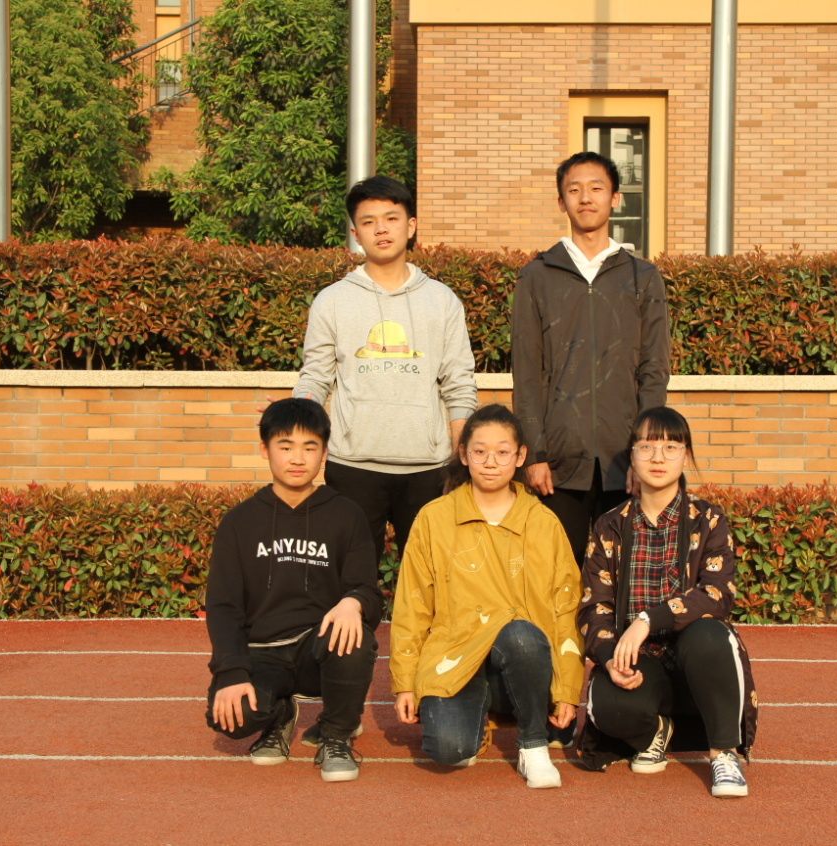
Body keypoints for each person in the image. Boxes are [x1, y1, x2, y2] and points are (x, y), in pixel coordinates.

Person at [389, 404, 584, 788]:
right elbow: (413, 605)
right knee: (449, 750)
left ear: (521, 456)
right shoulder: (434, 518)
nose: (491, 462)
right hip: (455, 657)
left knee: (522, 635)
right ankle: (476, 718)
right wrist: (405, 683)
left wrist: (567, 690)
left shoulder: (542, 522)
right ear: (464, 454)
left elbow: (566, 608)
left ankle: (533, 744)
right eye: (480, 452)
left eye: (502, 452)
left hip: (522, 658)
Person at [576, 406, 758, 798]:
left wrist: (647, 619)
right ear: (632, 456)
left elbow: (717, 594)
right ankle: (655, 731)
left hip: (695, 660)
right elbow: (594, 607)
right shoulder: (610, 525)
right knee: (608, 706)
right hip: (641, 663)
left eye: (671, 447)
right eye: (647, 446)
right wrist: (609, 656)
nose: (658, 457)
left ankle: (723, 753)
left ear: (686, 455)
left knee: (709, 635)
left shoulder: (708, 519)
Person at [294, 174, 477, 562]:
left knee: (432, 575)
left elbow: (459, 383)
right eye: (369, 221)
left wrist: (459, 458)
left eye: (391, 218)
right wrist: (297, 419)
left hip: (428, 468)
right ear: (355, 233)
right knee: (350, 574)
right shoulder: (332, 301)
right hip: (352, 464)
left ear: (410, 226)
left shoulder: (442, 301)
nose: (381, 229)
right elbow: (316, 376)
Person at [204, 398, 382, 782]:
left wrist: (353, 602)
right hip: (262, 653)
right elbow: (223, 606)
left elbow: (368, 591)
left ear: (325, 453)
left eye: (309, 447)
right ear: (265, 449)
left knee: (355, 635)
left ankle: (335, 735)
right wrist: (231, 672)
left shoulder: (346, 515)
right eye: (285, 447)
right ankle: (279, 714)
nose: (297, 458)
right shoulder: (239, 522)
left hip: (317, 649)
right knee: (231, 718)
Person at [510, 150, 670, 569]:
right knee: (556, 575)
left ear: (615, 198)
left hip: (624, 458)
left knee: (625, 575)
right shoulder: (536, 275)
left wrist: (645, 454)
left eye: (596, 188)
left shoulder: (641, 276)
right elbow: (526, 372)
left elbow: (654, 370)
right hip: (558, 462)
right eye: (574, 190)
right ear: (561, 201)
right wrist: (535, 453)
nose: (585, 198)